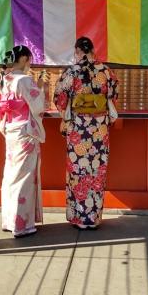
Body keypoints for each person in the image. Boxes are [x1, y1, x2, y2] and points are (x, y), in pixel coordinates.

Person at [54, 36, 119, 230]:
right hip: (99, 129)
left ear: (77, 52)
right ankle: (94, 218)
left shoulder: (71, 72)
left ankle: (79, 218)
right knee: (97, 171)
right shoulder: (106, 71)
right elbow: (113, 94)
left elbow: (59, 97)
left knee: (78, 171)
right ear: (92, 50)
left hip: (78, 128)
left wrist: (66, 114)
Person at [0, 45, 49, 238]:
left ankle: (9, 220)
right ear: (25, 59)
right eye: (30, 59)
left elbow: (1, 106)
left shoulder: (4, 79)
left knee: (11, 174)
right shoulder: (25, 81)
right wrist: (42, 86)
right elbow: (38, 107)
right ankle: (21, 225)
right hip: (25, 132)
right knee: (24, 177)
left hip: (11, 130)